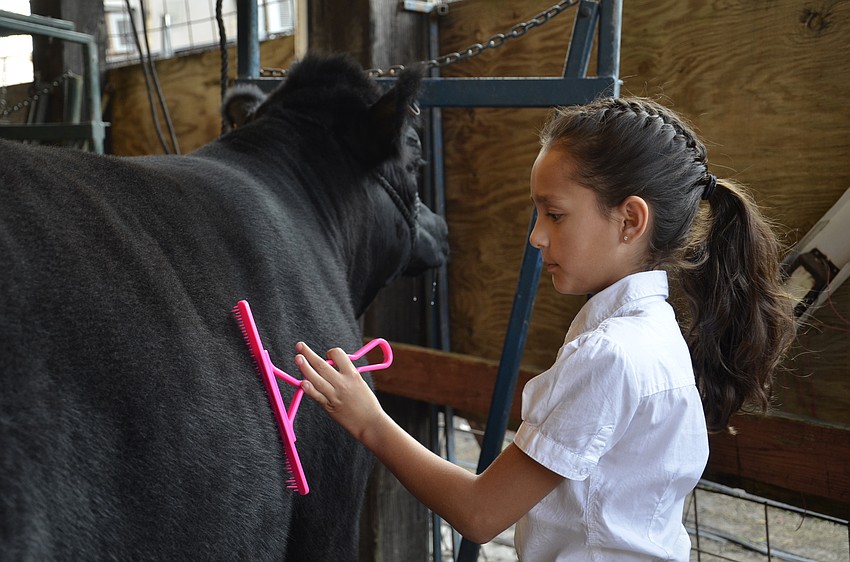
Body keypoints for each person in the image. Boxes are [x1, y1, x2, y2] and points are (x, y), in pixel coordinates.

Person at [294, 96, 797, 561]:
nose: (536, 236)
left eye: (555, 214)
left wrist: (368, 421)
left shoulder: (611, 354)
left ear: (629, 220)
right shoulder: (653, 334)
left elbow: (480, 513)